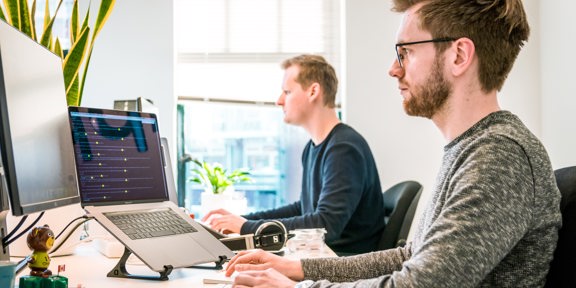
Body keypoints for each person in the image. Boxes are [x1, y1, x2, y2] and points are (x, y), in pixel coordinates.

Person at [223, 0, 563, 287]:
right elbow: (411, 256)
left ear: (459, 55)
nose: (393, 69)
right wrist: (297, 269)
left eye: (405, 52)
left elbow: (418, 284)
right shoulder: (473, 148)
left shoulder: (499, 156)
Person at [202, 54, 386, 254]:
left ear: (313, 91)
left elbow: (325, 226)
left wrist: (247, 228)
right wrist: (245, 220)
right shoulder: (314, 147)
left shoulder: (343, 149)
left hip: (342, 264)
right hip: (321, 256)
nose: (279, 101)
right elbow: (303, 209)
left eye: (287, 92)